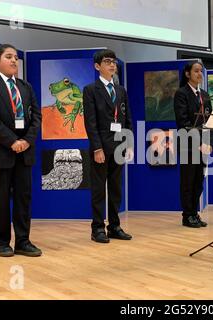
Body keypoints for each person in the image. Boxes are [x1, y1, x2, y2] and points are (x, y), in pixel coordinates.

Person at [0, 44, 42, 257]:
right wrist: (12, 141)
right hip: (0, 151)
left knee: (24, 198)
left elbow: (37, 117)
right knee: (1, 199)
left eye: (16, 57)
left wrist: (26, 141)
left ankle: (23, 241)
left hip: (25, 151)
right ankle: (1, 243)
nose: (14, 60)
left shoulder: (26, 87)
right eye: (8, 57)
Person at [83, 49, 134, 243]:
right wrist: (97, 148)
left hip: (119, 145)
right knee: (98, 189)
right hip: (101, 147)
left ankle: (114, 226)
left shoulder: (121, 90)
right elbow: (90, 122)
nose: (112, 65)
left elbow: (127, 118)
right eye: (107, 62)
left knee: (115, 188)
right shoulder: (90, 90)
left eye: (113, 62)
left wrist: (129, 143)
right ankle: (97, 228)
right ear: (97, 66)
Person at [174, 61, 213, 228]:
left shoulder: (204, 95)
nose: (199, 74)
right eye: (196, 71)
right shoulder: (181, 94)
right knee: (188, 181)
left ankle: (195, 212)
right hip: (187, 145)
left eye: (201, 71)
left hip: (203, 145)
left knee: (199, 181)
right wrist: (197, 142)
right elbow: (183, 122)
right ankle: (187, 215)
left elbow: (210, 121)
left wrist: (209, 143)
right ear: (187, 74)